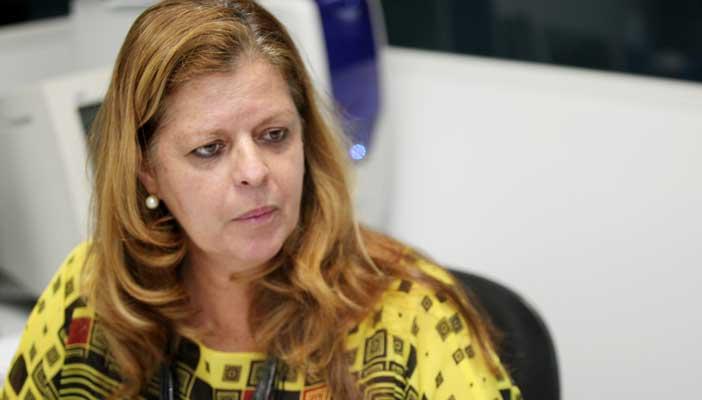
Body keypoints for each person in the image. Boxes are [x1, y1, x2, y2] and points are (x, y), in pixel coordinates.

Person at [1, 1, 522, 399]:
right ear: (148, 173)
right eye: (210, 149)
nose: (255, 172)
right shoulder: (91, 293)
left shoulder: (409, 316)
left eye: (274, 135)